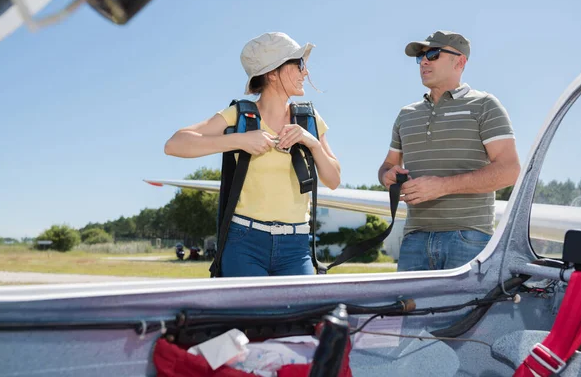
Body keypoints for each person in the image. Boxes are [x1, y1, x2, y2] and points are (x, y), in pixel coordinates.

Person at [164, 32, 340, 277]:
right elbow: (174, 144)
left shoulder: (309, 118)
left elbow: (334, 180)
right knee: (249, 316)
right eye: (299, 64)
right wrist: (239, 140)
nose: (306, 72)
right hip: (244, 243)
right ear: (272, 73)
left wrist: (312, 143)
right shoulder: (238, 114)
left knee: (298, 316)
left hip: (296, 245)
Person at [378, 30, 520, 271]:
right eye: (420, 56)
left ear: (460, 61)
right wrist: (387, 177)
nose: (423, 61)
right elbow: (388, 165)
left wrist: (442, 186)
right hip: (414, 239)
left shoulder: (485, 105)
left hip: (469, 240)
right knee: (405, 309)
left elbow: (510, 171)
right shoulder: (406, 114)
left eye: (432, 54)